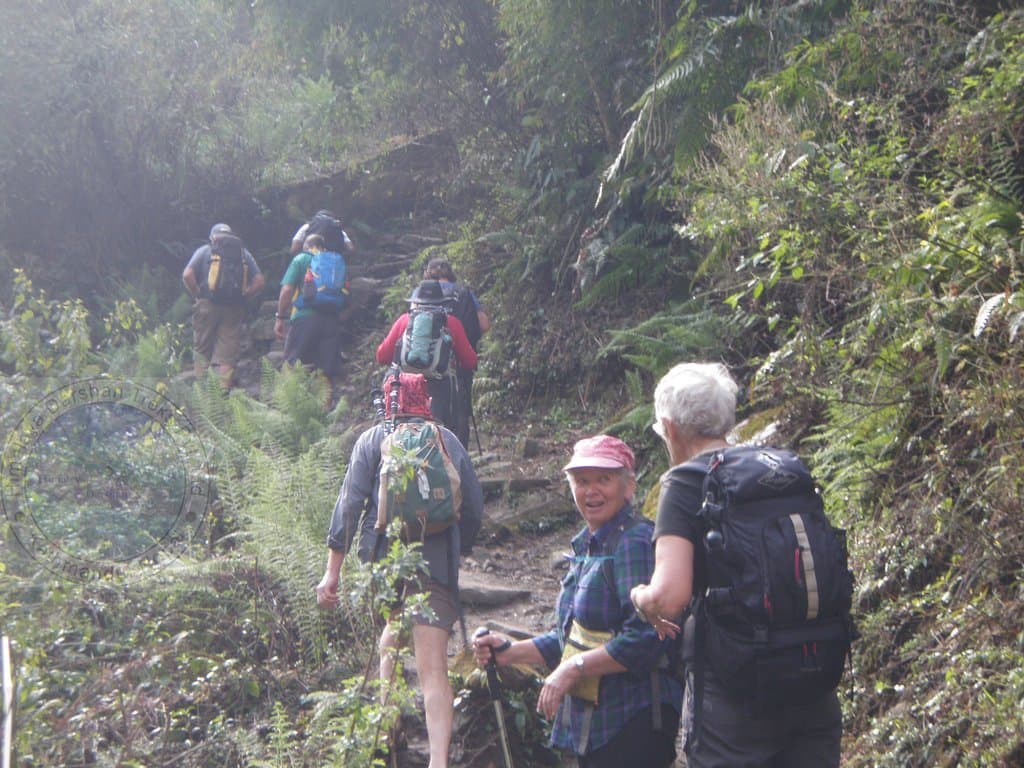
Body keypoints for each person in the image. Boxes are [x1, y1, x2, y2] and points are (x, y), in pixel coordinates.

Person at [629, 362, 844, 767]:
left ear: (669, 427)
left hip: (734, 693)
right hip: (812, 675)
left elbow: (669, 597)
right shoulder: (781, 467)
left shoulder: (685, 482)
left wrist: (640, 596)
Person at [473, 435, 681, 767]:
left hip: (635, 721)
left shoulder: (635, 543)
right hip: (597, 725)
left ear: (628, 487)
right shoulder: (588, 545)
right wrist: (510, 652)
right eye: (582, 481)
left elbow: (648, 637)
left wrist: (574, 668)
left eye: (604, 479)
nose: (591, 490)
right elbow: (570, 639)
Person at [315, 372, 483, 768]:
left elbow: (348, 506)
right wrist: (459, 545)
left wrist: (331, 574)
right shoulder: (447, 440)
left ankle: (389, 728)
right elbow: (473, 505)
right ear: (425, 400)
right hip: (436, 565)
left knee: (392, 630)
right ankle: (438, 761)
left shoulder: (371, 440)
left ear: (388, 400)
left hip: (385, 563)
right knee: (433, 669)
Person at [376, 280, 477, 443]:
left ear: (416, 302)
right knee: (443, 433)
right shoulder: (451, 323)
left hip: (404, 391)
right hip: (439, 391)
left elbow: (382, 356)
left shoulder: (404, 321)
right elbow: (470, 361)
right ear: (442, 302)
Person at [182, 223, 265, 388]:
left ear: (213, 237)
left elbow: (187, 274)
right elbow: (259, 281)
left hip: (206, 303)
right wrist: (244, 296)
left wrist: (198, 293)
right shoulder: (243, 254)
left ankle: (204, 395)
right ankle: (222, 395)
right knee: (227, 353)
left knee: (202, 350)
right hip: (233, 307)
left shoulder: (205, 250)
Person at [422, 258, 490, 446]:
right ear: (450, 273)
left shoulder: (419, 294)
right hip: (458, 365)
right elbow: (483, 324)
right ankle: (458, 458)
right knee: (459, 412)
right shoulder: (463, 293)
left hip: (420, 364)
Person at [274, 233, 345, 400]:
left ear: (306, 245)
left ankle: (289, 407)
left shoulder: (301, 259)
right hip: (331, 319)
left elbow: (287, 290)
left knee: (293, 363)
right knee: (325, 368)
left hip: (304, 317)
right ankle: (325, 412)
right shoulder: (336, 262)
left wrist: (280, 316)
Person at [289, 209, 354, 257]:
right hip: (333, 264)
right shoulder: (339, 230)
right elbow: (351, 249)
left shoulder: (307, 227)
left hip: (311, 264)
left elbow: (294, 249)